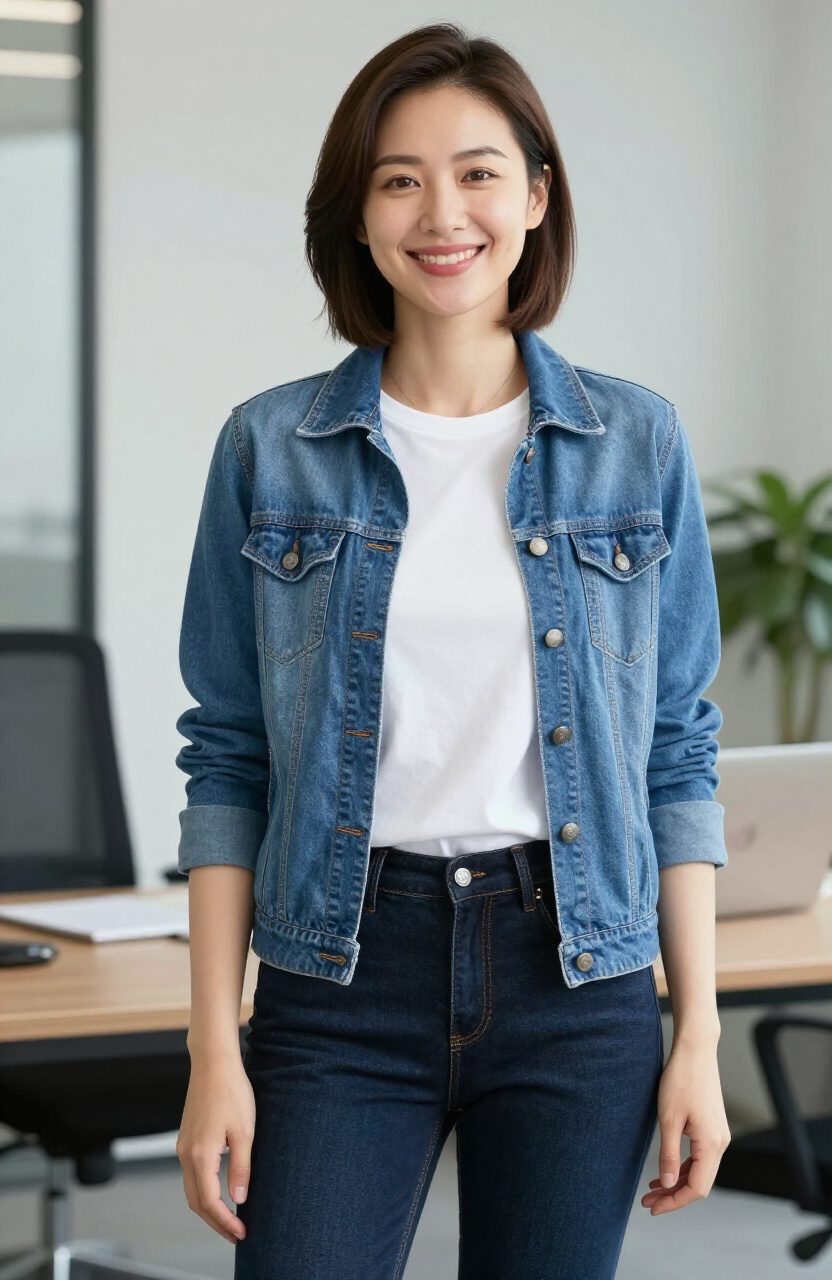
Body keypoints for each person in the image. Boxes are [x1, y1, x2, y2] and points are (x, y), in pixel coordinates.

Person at [174, 21, 731, 1280]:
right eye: (399, 179)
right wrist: (213, 1046)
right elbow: (228, 755)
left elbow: (675, 748)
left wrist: (695, 1031)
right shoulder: (269, 448)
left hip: (575, 974)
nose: (442, 214)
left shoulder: (636, 442)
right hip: (340, 972)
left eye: (478, 173)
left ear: (534, 197)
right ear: (358, 215)